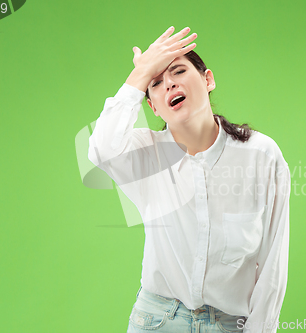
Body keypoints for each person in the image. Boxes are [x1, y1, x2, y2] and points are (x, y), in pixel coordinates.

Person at [88, 26, 291, 333]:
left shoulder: (261, 155)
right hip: (156, 321)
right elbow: (100, 149)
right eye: (156, 83)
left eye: (178, 71)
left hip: (230, 324)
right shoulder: (147, 156)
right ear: (153, 106)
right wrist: (138, 76)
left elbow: (272, 262)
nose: (169, 84)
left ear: (207, 80)